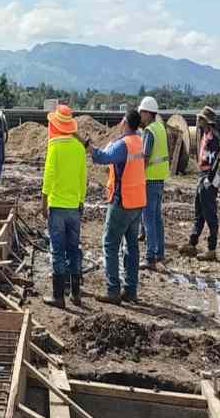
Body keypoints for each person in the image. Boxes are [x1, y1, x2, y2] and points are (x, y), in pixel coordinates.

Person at [89, 109, 147, 305]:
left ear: (125, 122)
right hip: (138, 201)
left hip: (123, 202)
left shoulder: (124, 145)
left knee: (110, 244)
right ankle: (130, 290)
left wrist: (89, 148)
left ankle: (113, 290)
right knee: (131, 247)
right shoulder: (138, 142)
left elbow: (103, 158)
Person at [41, 105, 87, 309]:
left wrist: (44, 201)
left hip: (57, 207)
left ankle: (58, 296)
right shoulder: (79, 148)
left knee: (58, 251)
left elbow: (49, 175)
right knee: (73, 250)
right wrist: (81, 201)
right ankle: (76, 294)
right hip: (74, 208)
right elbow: (83, 178)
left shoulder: (55, 147)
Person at [179, 106, 220, 261]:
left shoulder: (213, 138)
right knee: (199, 212)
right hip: (203, 176)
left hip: (208, 178)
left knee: (209, 214)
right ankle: (192, 243)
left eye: (200, 118)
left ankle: (211, 249)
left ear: (205, 121)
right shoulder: (205, 134)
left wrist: (208, 179)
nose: (197, 120)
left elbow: (215, 161)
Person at [137, 96, 169, 271]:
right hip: (160, 178)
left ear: (148, 113)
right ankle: (160, 254)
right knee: (156, 219)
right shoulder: (160, 128)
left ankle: (150, 258)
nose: (140, 116)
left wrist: (137, 176)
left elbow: (145, 157)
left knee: (148, 219)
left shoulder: (149, 131)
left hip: (149, 179)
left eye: (142, 113)